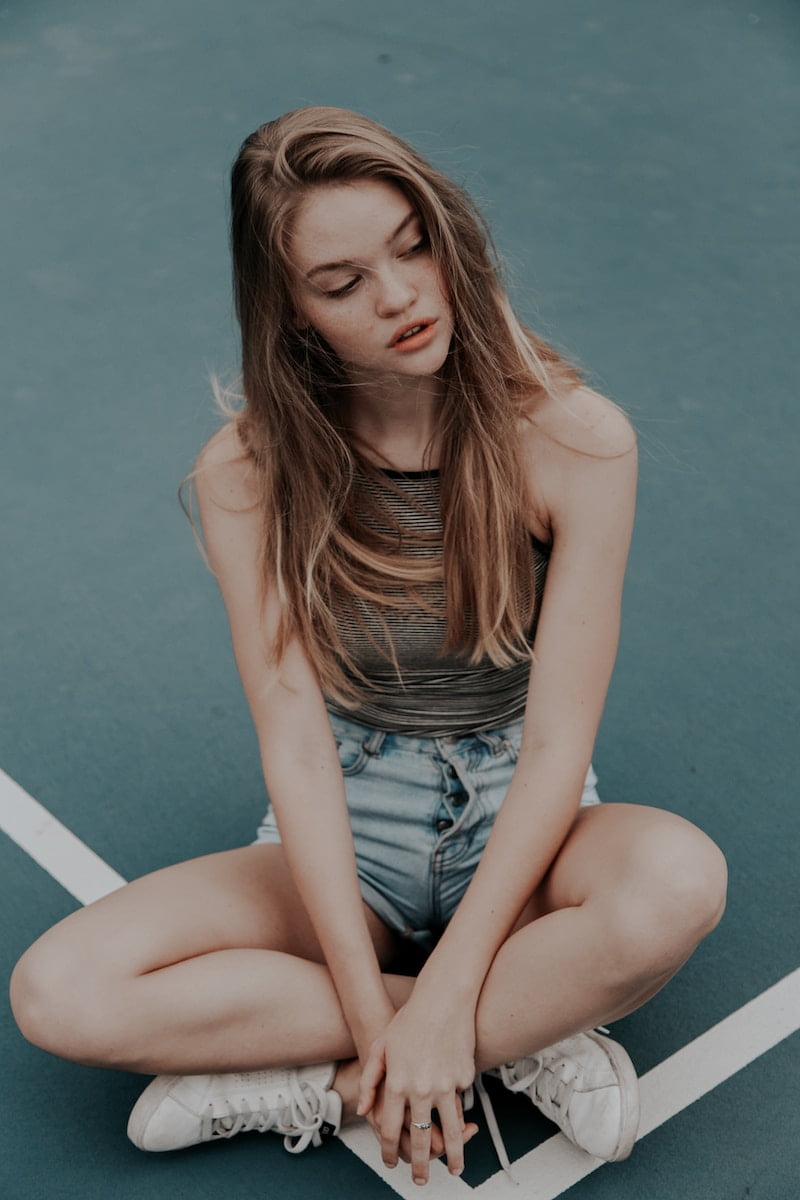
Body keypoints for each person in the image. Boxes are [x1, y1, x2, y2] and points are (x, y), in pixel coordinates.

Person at [9, 106, 727, 1187]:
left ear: (447, 236)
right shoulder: (243, 476)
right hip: (351, 814)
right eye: (340, 284)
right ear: (290, 314)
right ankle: (506, 1035)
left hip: (514, 800)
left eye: (411, 247)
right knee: (58, 994)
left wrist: (447, 999)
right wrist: (387, 1012)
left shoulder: (574, 439)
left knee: (677, 880)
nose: (397, 297)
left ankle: (317, 1072)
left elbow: (554, 744)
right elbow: (293, 747)